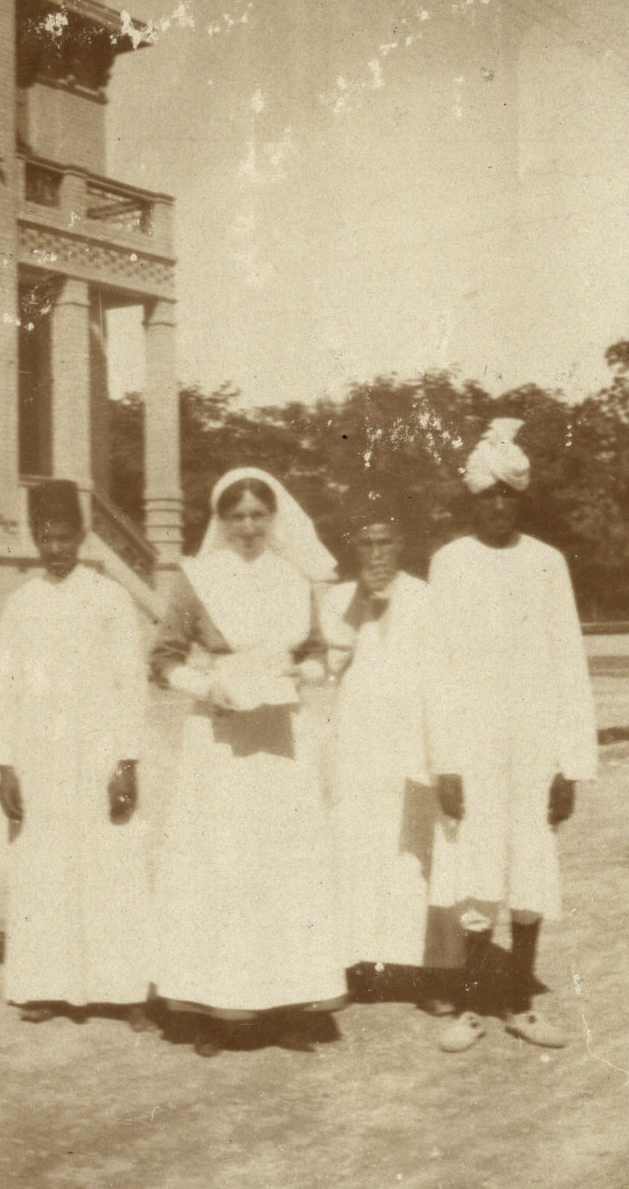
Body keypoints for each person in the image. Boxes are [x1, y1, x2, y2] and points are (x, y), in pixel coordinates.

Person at [149, 467, 348, 1056]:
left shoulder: (293, 578)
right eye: (236, 516)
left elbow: (317, 654)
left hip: (280, 744)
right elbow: (160, 657)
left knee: (281, 869)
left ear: (273, 518)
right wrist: (204, 686)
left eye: (259, 514)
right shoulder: (197, 579)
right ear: (221, 520)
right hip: (220, 746)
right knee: (221, 867)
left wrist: (303, 671)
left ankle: (287, 1008)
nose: (248, 527)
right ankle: (214, 1010)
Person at [427, 420, 598, 1052]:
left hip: (533, 743)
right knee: (475, 868)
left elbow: (567, 664)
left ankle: (521, 1001)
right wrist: (445, 762)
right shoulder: (450, 562)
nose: (498, 507)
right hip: (471, 743)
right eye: (487, 496)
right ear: (472, 500)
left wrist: (569, 763)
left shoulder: (547, 563)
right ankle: (471, 1007)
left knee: (529, 864)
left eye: (509, 495)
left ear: (520, 500)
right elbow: (438, 668)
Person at [0, 479, 152, 1031]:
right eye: (44, 537)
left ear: (81, 536)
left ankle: (124, 990)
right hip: (38, 759)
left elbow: (132, 683)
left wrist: (127, 761)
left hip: (99, 755)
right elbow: (6, 687)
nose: (54, 548)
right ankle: (44, 986)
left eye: (63, 537)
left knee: (111, 868)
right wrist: (5, 765)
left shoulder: (110, 598)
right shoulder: (20, 604)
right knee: (43, 870)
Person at [321, 497, 458, 1012]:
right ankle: (356, 963)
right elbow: (330, 666)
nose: (377, 553)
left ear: (401, 545)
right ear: (353, 549)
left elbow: (442, 675)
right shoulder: (337, 600)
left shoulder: (425, 596)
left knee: (415, 855)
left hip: (411, 743)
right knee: (356, 848)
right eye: (366, 543)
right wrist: (362, 601)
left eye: (386, 542)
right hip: (356, 744)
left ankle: (430, 975)